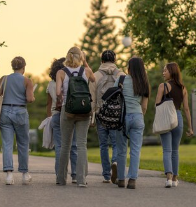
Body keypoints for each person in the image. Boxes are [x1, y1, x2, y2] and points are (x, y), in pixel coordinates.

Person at [56, 47, 95, 187]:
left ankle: (61, 178)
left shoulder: (61, 72)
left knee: (65, 145)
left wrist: (63, 99)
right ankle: (81, 180)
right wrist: (85, 63)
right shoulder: (87, 71)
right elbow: (94, 79)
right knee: (82, 145)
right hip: (84, 109)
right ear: (81, 57)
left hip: (68, 110)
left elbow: (58, 92)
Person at [0, 56, 35, 185]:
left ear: (12, 67)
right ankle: (24, 174)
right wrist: (32, 96)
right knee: (23, 143)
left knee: (7, 144)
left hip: (5, 112)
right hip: (20, 112)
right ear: (23, 68)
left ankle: (9, 176)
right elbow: (29, 99)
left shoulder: (4, 79)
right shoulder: (27, 81)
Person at [155, 62, 194, 188]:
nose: (163, 72)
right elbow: (186, 109)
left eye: (165, 70)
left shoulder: (163, 86)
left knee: (167, 149)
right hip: (178, 118)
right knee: (175, 150)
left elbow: (157, 105)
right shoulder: (183, 88)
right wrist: (190, 127)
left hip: (166, 118)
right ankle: (175, 179)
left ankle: (169, 178)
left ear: (171, 71)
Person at [89, 50, 125, 184]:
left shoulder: (95, 76)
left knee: (103, 145)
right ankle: (115, 161)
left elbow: (91, 97)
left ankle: (106, 175)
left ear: (102, 61)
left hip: (100, 114)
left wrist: (92, 116)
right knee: (116, 143)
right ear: (115, 60)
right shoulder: (121, 75)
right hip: (116, 115)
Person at [114, 57, 149, 189]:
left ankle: (121, 179)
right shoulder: (144, 82)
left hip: (122, 117)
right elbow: (144, 106)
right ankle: (132, 180)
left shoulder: (121, 79)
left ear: (129, 67)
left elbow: (113, 97)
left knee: (121, 150)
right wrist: (139, 117)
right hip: (137, 116)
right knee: (135, 150)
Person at [47, 57, 78, 184]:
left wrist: (48, 118)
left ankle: (60, 175)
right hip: (70, 114)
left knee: (59, 147)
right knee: (74, 145)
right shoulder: (70, 81)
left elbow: (48, 104)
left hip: (55, 115)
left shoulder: (50, 84)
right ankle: (75, 175)